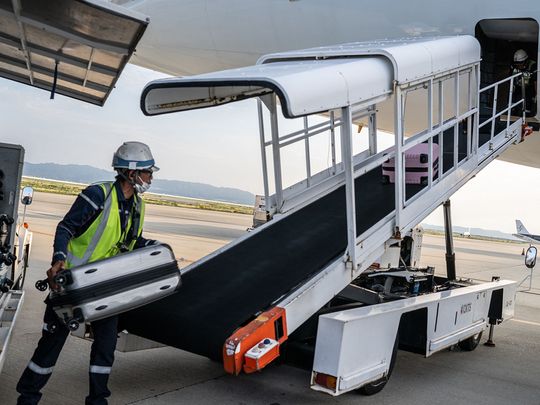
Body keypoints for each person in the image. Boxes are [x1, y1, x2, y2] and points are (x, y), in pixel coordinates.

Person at [16, 141, 159, 405]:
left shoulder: (138, 206)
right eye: (148, 172)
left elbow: (129, 241)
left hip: (105, 287)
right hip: (72, 284)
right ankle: (27, 397)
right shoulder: (98, 195)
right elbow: (66, 228)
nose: (151, 177)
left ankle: (97, 401)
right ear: (131, 172)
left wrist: (152, 246)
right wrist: (59, 258)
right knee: (51, 345)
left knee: (105, 349)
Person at [511, 49, 537, 117]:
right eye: (517, 63)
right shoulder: (513, 66)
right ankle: (513, 112)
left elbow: (535, 81)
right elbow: (510, 80)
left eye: (520, 63)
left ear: (526, 60)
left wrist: (537, 95)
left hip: (529, 89)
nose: (518, 65)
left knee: (528, 100)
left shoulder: (533, 65)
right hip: (517, 88)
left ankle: (526, 115)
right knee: (512, 97)